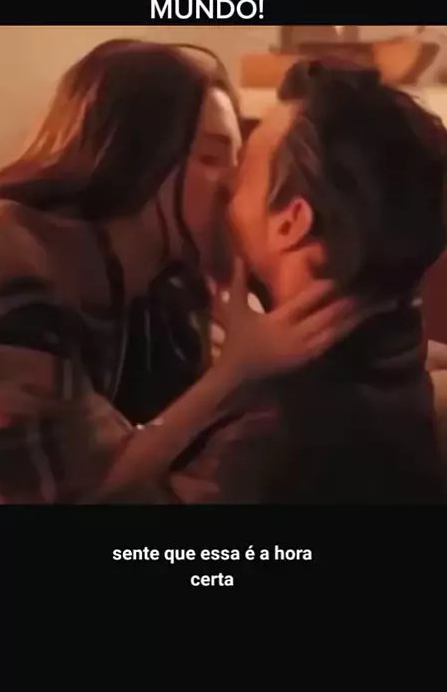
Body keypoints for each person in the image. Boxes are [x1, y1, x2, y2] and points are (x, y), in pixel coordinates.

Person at [0, 41, 369, 504]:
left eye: (238, 163)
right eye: (211, 159)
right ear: (131, 159)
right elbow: (80, 486)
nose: (233, 185)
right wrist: (237, 371)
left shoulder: (158, 286)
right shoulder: (7, 269)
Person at [170, 59, 447, 504]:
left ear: (291, 222)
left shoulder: (271, 439)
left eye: (244, 170)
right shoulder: (393, 348)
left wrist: (227, 380)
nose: (225, 186)